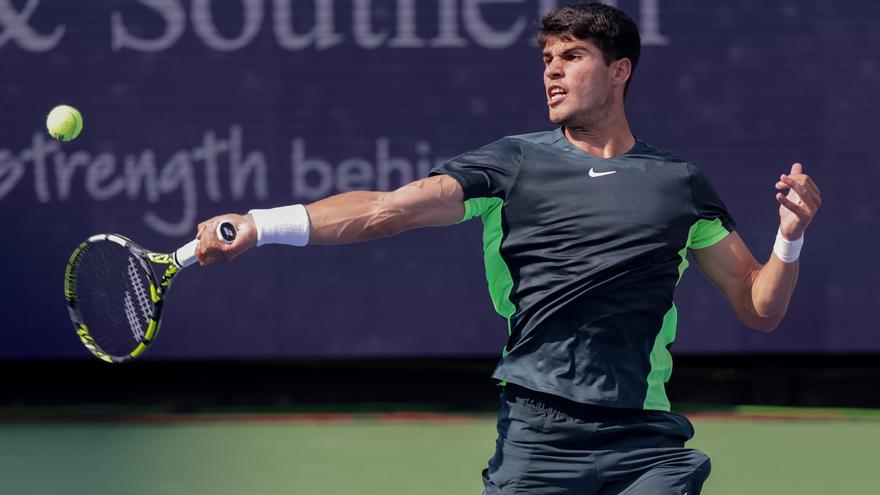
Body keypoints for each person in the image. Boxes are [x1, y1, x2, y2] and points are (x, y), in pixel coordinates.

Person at [194, 3, 821, 494]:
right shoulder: (513, 163)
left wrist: (787, 239)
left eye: (572, 56)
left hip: (645, 436)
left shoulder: (679, 182)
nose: (552, 70)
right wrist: (261, 223)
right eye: (548, 58)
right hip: (540, 432)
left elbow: (757, 305)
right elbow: (389, 209)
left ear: (619, 70)